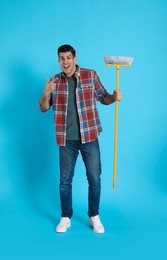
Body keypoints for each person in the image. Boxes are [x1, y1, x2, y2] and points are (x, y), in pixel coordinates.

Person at [39, 44, 122, 234]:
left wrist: (114, 97)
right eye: (61, 58)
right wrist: (46, 92)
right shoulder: (54, 82)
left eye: (68, 58)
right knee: (65, 181)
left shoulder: (90, 75)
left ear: (75, 59)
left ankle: (94, 215)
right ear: (58, 61)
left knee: (94, 178)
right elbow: (43, 107)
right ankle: (66, 217)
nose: (65, 62)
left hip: (89, 136)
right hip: (66, 140)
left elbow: (104, 98)